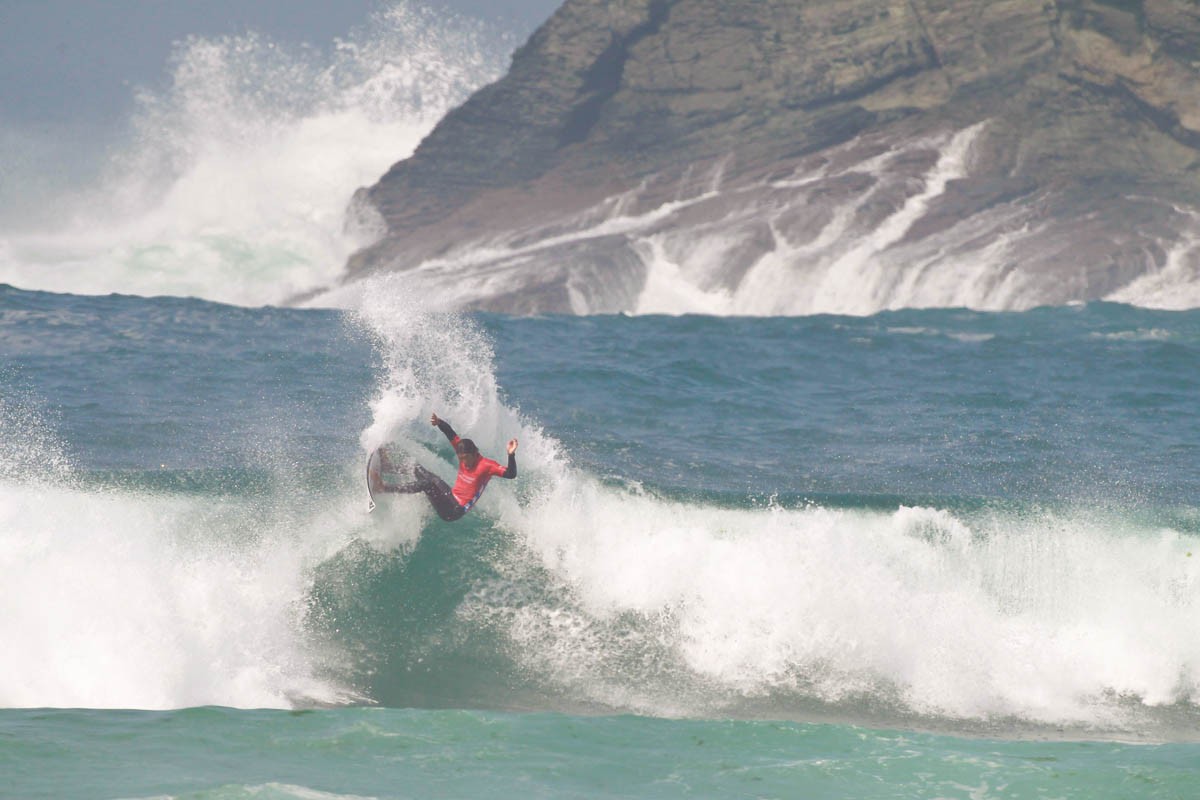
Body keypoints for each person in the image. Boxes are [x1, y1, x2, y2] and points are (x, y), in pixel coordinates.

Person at [369, 412, 518, 521]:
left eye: (466, 458)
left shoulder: (487, 466)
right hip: (451, 496)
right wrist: (439, 422)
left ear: (474, 453)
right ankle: (388, 467)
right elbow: (451, 435)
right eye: (461, 459)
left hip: (454, 511)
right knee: (419, 470)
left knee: (427, 484)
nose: (464, 462)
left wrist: (511, 455)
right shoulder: (462, 451)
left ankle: (383, 488)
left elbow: (511, 474)